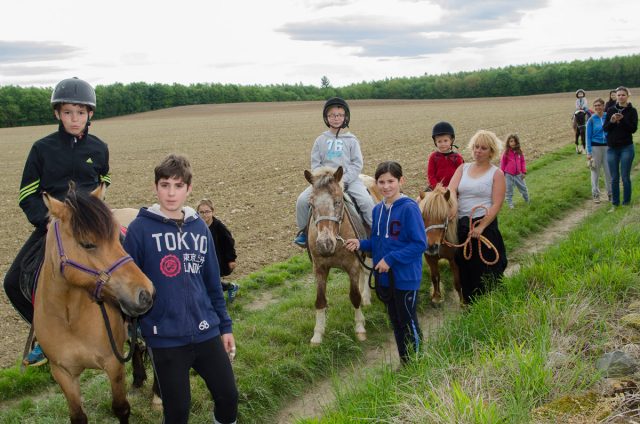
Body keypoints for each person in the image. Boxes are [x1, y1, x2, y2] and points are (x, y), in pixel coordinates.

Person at [123, 154, 238, 424]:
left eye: (178, 186)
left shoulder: (199, 227)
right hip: (165, 338)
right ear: (155, 187)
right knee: (177, 411)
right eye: (165, 185)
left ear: (189, 188)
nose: (171, 193)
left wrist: (225, 326)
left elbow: (212, 283)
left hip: (206, 331)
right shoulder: (139, 230)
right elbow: (128, 286)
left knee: (228, 396)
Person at [3, 77, 110, 367]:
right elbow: (27, 194)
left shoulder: (99, 148)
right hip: (53, 227)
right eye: (67, 112)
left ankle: (133, 328)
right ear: (56, 113)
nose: (74, 119)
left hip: (90, 228)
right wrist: (47, 221)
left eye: (80, 112)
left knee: (127, 264)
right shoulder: (42, 149)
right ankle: (44, 333)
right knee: (12, 282)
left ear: (90, 115)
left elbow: (104, 181)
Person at [345, 161, 427, 364]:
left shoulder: (409, 208)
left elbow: (419, 244)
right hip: (385, 279)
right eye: (381, 182)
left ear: (401, 181)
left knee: (408, 322)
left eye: (391, 181)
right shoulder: (377, 210)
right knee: (396, 322)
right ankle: (405, 362)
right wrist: (361, 244)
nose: (386, 186)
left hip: (405, 277)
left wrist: (390, 259)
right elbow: (378, 241)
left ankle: (418, 365)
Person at [294, 97, 375, 247]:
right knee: (301, 201)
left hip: (349, 180)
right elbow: (315, 164)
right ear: (326, 117)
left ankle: (375, 234)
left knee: (366, 201)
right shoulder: (320, 140)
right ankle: (304, 233)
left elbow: (357, 163)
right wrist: (322, 181)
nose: (336, 118)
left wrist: (343, 180)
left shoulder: (352, 140)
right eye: (332, 115)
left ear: (345, 117)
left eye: (339, 115)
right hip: (323, 184)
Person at [448, 130, 508, 304]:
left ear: (491, 151)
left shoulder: (496, 174)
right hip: (463, 224)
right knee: (464, 266)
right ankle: (470, 303)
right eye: (476, 147)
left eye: (483, 148)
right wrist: (454, 205)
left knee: (485, 267)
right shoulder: (463, 168)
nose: (478, 151)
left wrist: (481, 227)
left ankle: (490, 303)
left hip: (484, 224)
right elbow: (451, 190)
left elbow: (496, 204)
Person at [197, 199, 239, 303]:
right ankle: (230, 287)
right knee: (204, 281)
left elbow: (229, 242)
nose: (204, 215)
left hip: (217, 259)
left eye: (207, 211)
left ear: (212, 211)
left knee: (210, 281)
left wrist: (231, 259)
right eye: (201, 212)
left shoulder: (219, 227)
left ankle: (217, 302)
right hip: (202, 259)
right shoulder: (197, 226)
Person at [604, 86, 638, 210]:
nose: (620, 97)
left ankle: (626, 202)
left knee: (625, 176)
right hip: (612, 148)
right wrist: (612, 121)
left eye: (623, 95)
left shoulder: (632, 111)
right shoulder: (610, 110)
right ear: (616, 96)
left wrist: (622, 120)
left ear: (627, 96)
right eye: (618, 95)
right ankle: (615, 203)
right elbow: (605, 128)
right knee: (614, 178)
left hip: (626, 147)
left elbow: (633, 129)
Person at [586, 98, 612, 204]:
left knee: (608, 172)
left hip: (608, 147)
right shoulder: (591, 120)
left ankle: (610, 194)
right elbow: (588, 137)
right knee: (595, 172)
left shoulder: (608, 117)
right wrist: (589, 152)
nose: (597, 107)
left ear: (603, 106)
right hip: (595, 148)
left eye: (599, 105)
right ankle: (595, 194)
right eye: (595, 105)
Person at [426, 121, 464, 190]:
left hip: (453, 188)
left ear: (451, 140)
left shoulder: (457, 157)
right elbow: (431, 175)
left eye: (445, 141)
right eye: (439, 141)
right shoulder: (433, 157)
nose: (443, 144)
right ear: (435, 142)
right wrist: (436, 186)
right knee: (419, 199)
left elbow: (461, 175)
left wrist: (452, 187)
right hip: (436, 188)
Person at [500, 134, 530, 209]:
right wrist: (502, 174)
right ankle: (510, 204)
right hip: (508, 175)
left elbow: (523, 162)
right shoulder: (506, 153)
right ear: (508, 143)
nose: (513, 143)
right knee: (509, 190)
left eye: (515, 141)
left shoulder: (519, 152)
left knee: (523, 188)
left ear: (517, 142)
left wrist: (523, 172)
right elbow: (503, 163)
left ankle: (527, 200)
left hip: (519, 174)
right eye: (511, 141)